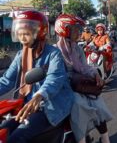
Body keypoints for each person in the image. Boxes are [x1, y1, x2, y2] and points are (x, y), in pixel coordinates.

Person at [0, 10, 73, 142]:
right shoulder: (21, 55)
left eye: (26, 34)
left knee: (16, 138)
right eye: (20, 34)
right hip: (27, 104)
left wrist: (39, 95)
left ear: (40, 33)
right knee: (4, 131)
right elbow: (6, 80)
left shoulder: (53, 54)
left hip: (50, 105)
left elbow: (54, 78)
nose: (22, 38)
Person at [54, 14, 113, 143]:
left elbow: (85, 67)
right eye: (75, 30)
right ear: (65, 30)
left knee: (97, 102)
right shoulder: (55, 51)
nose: (79, 32)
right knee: (79, 106)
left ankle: (105, 139)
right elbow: (54, 76)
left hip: (80, 84)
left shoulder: (77, 49)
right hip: (65, 89)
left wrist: (95, 74)